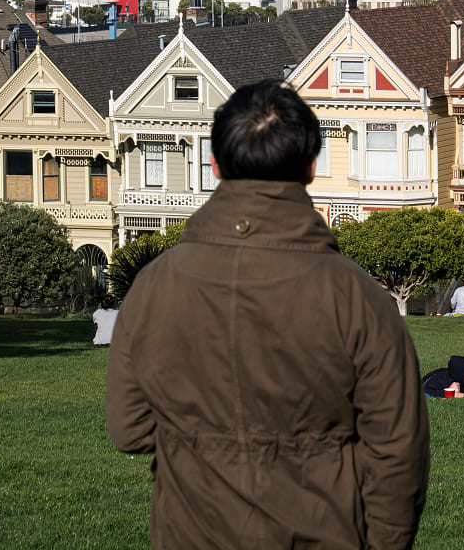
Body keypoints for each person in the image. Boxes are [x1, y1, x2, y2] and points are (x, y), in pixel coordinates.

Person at [106, 79, 429, 550]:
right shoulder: (357, 297)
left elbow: (129, 429)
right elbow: (398, 455)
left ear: (214, 164)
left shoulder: (155, 286)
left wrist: (201, 443)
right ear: (311, 167)